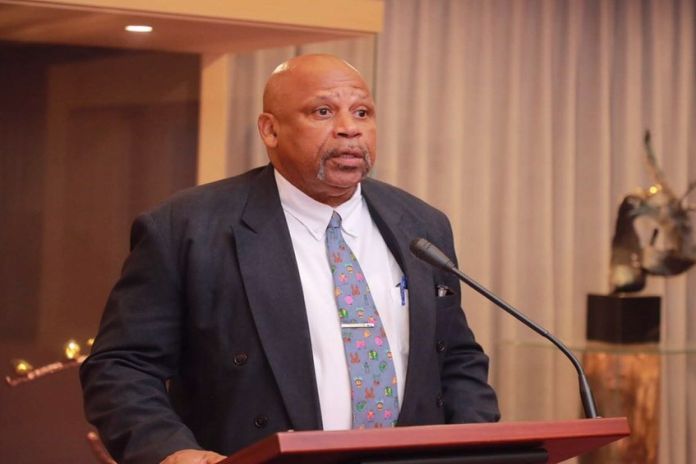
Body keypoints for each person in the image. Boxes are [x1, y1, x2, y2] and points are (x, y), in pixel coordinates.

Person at [80, 54, 500, 464]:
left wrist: (476, 444)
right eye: (323, 111)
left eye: (362, 112)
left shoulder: (421, 224)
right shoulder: (187, 228)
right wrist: (171, 450)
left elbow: (455, 355)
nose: (349, 128)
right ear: (270, 130)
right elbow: (122, 366)